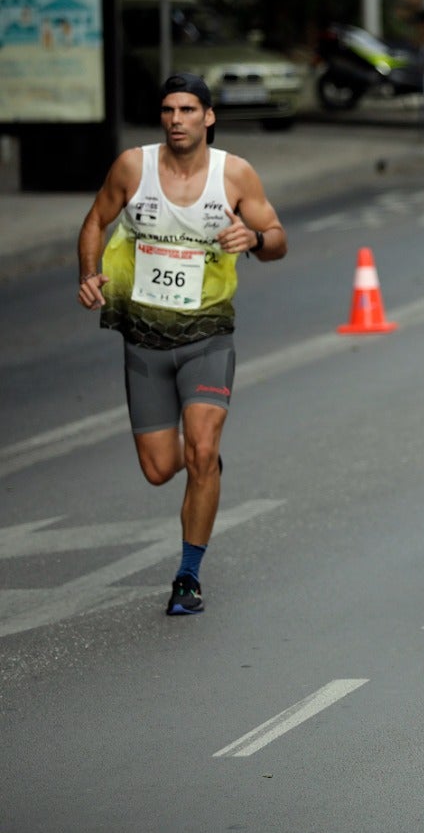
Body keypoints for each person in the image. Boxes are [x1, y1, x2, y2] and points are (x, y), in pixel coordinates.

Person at [76, 73, 287, 616]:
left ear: (208, 117)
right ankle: (204, 468)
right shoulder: (132, 167)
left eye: (188, 110)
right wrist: (89, 272)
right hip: (143, 338)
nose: (176, 120)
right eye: (169, 110)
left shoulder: (234, 174)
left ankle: (188, 577)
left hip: (208, 335)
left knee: (201, 449)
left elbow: (278, 240)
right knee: (158, 467)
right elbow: (95, 220)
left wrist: (255, 239)